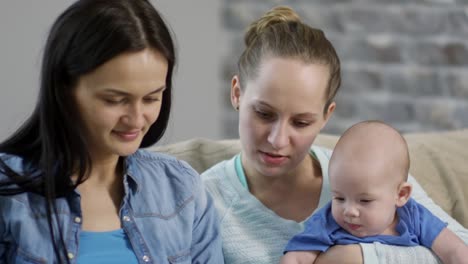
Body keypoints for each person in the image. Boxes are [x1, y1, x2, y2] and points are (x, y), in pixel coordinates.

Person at [201, 5, 468, 264]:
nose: (278, 140)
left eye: (301, 122)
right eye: (264, 114)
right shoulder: (202, 201)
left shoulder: (371, 167)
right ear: (237, 93)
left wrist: (359, 258)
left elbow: (461, 248)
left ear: (326, 116)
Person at [0, 0, 224, 263]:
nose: (136, 119)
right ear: (64, 89)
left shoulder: (183, 191)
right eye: (115, 100)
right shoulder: (9, 194)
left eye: (152, 98)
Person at [281, 120, 468, 264]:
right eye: (339, 197)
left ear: (401, 195)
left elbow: (455, 250)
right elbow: (296, 257)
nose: (349, 211)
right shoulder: (328, 222)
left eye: (365, 201)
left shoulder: (414, 217)